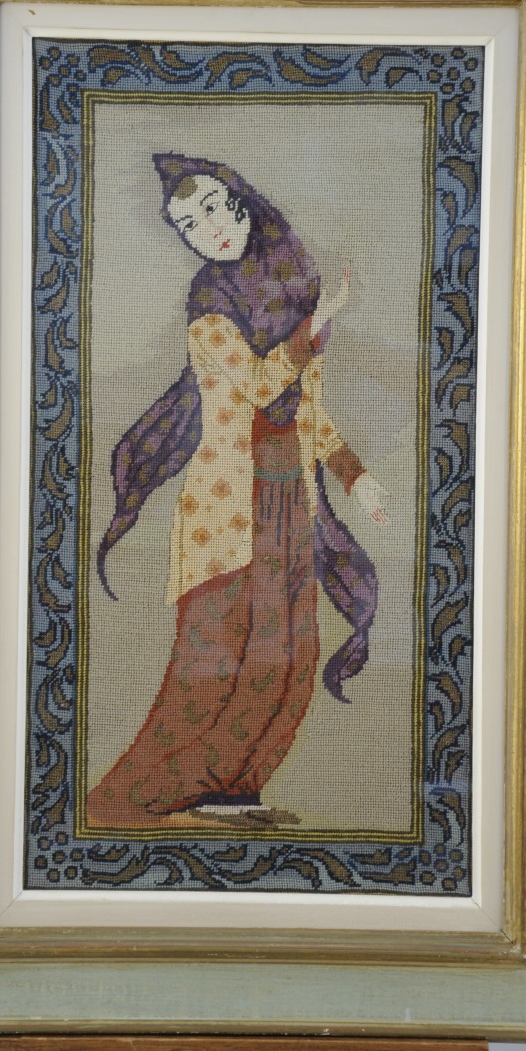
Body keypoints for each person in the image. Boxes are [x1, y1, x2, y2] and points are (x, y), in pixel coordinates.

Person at [88, 155, 388, 830]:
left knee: (288, 655)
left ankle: (236, 790)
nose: (211, 229)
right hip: (228, 512)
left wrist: (356, 476)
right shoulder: (208, 310)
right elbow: (258, 385)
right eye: (191, 225)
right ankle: (140, 799)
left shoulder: (288, 299)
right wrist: (319, 323)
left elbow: (309, 412)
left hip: (291, 506)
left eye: (216, 210)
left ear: (244, 205)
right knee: (215, 658)